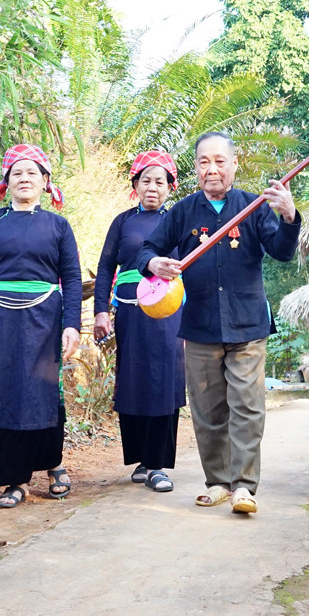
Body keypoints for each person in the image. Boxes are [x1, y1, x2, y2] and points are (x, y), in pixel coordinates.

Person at [137, 132, 301, 515]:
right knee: (208, 410)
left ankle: (244, 486)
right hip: (199, 325)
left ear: (233, 164)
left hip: (247, 325)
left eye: (219, 161)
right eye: (203, 162)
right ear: (195, 167)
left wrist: (289, 216)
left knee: (247, 406)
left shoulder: (254, 206)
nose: (212, 169)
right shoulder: (182, 211)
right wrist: (153, 264)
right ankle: (218, 483)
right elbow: (147, 250)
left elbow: (281, 251)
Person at [0, 145, 82, 509]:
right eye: (17, 173)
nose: (24, 178)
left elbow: (72, 278)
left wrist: (71, 324)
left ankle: (51, 462)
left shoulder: (58, 226)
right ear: (6, 183)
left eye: (32, 173)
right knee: (4, 392)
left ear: (46, 182)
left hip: (45, 321)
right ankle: (13, 480)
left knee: (41, 392)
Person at [93, 151, 186, 493]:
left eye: (159, 181)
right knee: (134, 380)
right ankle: (141, 459)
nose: (152, 187)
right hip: (130, 312)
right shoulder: (122, 222)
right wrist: (101, 311)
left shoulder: (178, 221)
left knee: (164, 381)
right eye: (145, 180)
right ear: (135, 185)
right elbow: (105, 268)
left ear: (170, 188)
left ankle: (158, 465)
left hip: (169, 313)